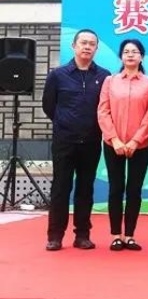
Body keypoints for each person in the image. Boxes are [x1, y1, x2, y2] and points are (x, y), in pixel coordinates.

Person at [42, 29, 111, 251]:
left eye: (92, 44)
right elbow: (48, 105)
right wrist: (65, 123)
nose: (87, 47)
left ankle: (82, 235)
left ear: (96, 48)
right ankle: (55, 236)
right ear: (74, 46)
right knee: (60, 188)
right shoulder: (58, 75)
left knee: (85, 189)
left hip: (91, 141)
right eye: (83, 43)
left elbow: (105, 108)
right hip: (64, 141)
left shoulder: (104, 76)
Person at [96, 39, 148, 251]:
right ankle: (116, 235)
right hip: (113, 143)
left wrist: (135, 140)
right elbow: (103, 111)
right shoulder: (110, 81)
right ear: (121, 56)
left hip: (140, 145)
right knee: (115, 188)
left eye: (135, 51)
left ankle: (130, 235)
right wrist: (114, 139)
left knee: (134, 189)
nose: (130, 55)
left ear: (142, 56)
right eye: (126, 51)